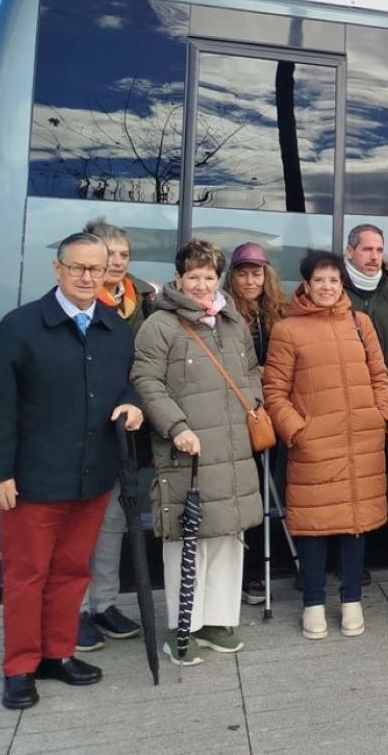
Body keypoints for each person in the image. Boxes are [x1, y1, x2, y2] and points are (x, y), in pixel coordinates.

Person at [0, 232, 144, 710]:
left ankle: (57, 654)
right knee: (25, 576)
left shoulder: (115, 328)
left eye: (95, 269)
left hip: (92, 476)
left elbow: (128, 385)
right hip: (32, 481)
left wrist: (132, 405)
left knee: (70, 572)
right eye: (77, 267)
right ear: (57, 270)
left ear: (107, 274)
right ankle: (20, 667)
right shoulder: (19, 327)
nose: (86, 277)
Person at [131, 239, 263, 666]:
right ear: (179, 279)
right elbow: (147, 382)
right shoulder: (160, 324)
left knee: (228, 535)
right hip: (186, 451)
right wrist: (176, 426)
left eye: (209, 276)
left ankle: (216, 622)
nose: (202, 285)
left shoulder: (232, 321)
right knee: (188, 538)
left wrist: (254, 403)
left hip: (232, 446)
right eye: (194, 277)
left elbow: (250, 371)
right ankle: (181, 625)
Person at [263, 250, 388, 640]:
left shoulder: (360, 322)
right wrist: (298, 432)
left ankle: (352, 600)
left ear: (342, 284)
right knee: (314, 526)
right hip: (314, 445)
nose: (327, 287)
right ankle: (314, 602)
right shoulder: (287, 329)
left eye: (334, 280)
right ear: (306, 284)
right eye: (319, 280)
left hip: (361, 441)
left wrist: (381, 414)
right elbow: (274, 392)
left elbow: (378, 374)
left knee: (355, 525)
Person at [76, 218, 156, 652]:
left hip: (128, 429)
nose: (117, 261)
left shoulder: (143, 300)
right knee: (79, 526)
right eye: (110, 253)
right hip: (86, 430)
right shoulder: (78, 305)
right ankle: (76, 610)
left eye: (124, 254)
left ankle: (103, 603)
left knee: (113, 522)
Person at [223, 241, 288, 606]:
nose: (250, 279)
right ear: (233, 276)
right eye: (244, 272)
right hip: (234, 414)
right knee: (239, 493)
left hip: (269, 415)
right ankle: (240, 571)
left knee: (264, 492)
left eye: (257, 272)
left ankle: (254, 572)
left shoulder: (278, 310)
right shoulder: (223, 310)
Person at [342, 224, 388, 511]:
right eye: (367, 249)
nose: (374, 256)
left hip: (382, 398)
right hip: (344, 398)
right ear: (350, 251)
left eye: (379, 250)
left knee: (373, 478)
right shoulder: (335, 288)